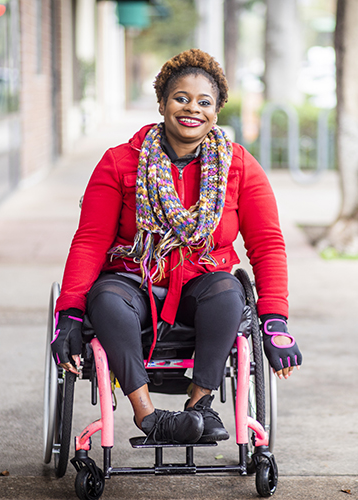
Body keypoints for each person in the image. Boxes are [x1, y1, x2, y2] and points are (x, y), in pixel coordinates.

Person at [51, 49, 302, 445]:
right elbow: (89, 242)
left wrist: (275, 320)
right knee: (107, 300)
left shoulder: (239, 166)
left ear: (217, 110)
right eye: (181, 98)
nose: (192, 109)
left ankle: (199, 406)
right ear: (163, 102)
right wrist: (68, 312)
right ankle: (149, 417)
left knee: (228, 293)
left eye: (205, 102)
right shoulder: (119, 163)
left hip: (202, 284)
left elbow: (267, 244)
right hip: (133, 282)